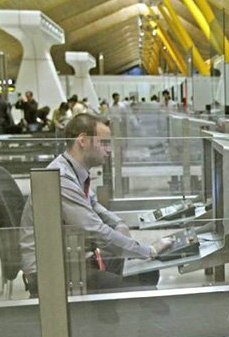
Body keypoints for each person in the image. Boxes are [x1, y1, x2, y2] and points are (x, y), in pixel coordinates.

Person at [19, 113, 173, 296]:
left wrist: (118, 223)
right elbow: (95, 230)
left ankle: (107, 319)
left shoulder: (74, 171)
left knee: (145, 269)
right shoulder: (61, 178)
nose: (108, 150)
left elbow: (94, 207)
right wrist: (149, 250)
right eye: (104, 143)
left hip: (71, 260)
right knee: (140, 283)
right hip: (51, 273)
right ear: (83, 140)